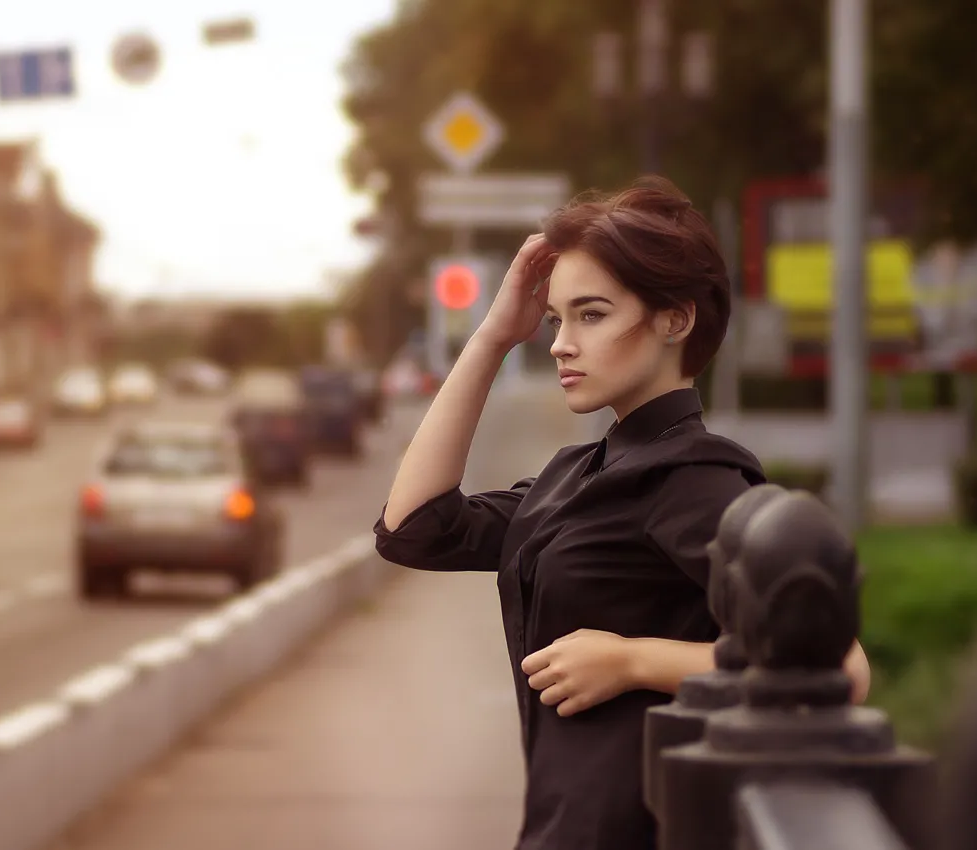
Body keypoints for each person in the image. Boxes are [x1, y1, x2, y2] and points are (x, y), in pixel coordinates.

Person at [372, 176, 872, 850]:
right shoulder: (578, 474)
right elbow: (415, 530)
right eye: (556, 320)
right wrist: (492, 336)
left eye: (593, 314)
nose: (560, 343)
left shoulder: (696, 479)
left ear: (675, 319)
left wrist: (636, 661)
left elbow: (839, 670)